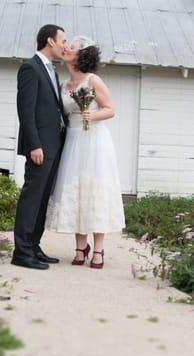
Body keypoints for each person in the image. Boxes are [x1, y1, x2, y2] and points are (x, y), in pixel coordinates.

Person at [46, 36, 126, 269]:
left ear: (82, 55)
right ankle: (80, 248)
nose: (67, 48)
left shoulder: (93, 80)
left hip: (95, 141)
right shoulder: (63, 85)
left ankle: (98, 249)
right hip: (72, 140)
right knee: (76, 190)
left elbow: (110, 109)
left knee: (95, 190)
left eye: (72, 47)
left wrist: (93, 115)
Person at [11, 24, 67, 270]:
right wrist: (34, 144)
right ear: (50, 41)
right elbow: (26, 111)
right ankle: (22, 252)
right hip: (40, 147)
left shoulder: (52, 71)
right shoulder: (30, 68)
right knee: (32, 198)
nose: (65, 45)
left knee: (43, 199)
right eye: (62, 40)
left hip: (54, 146)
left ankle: (33, 246)